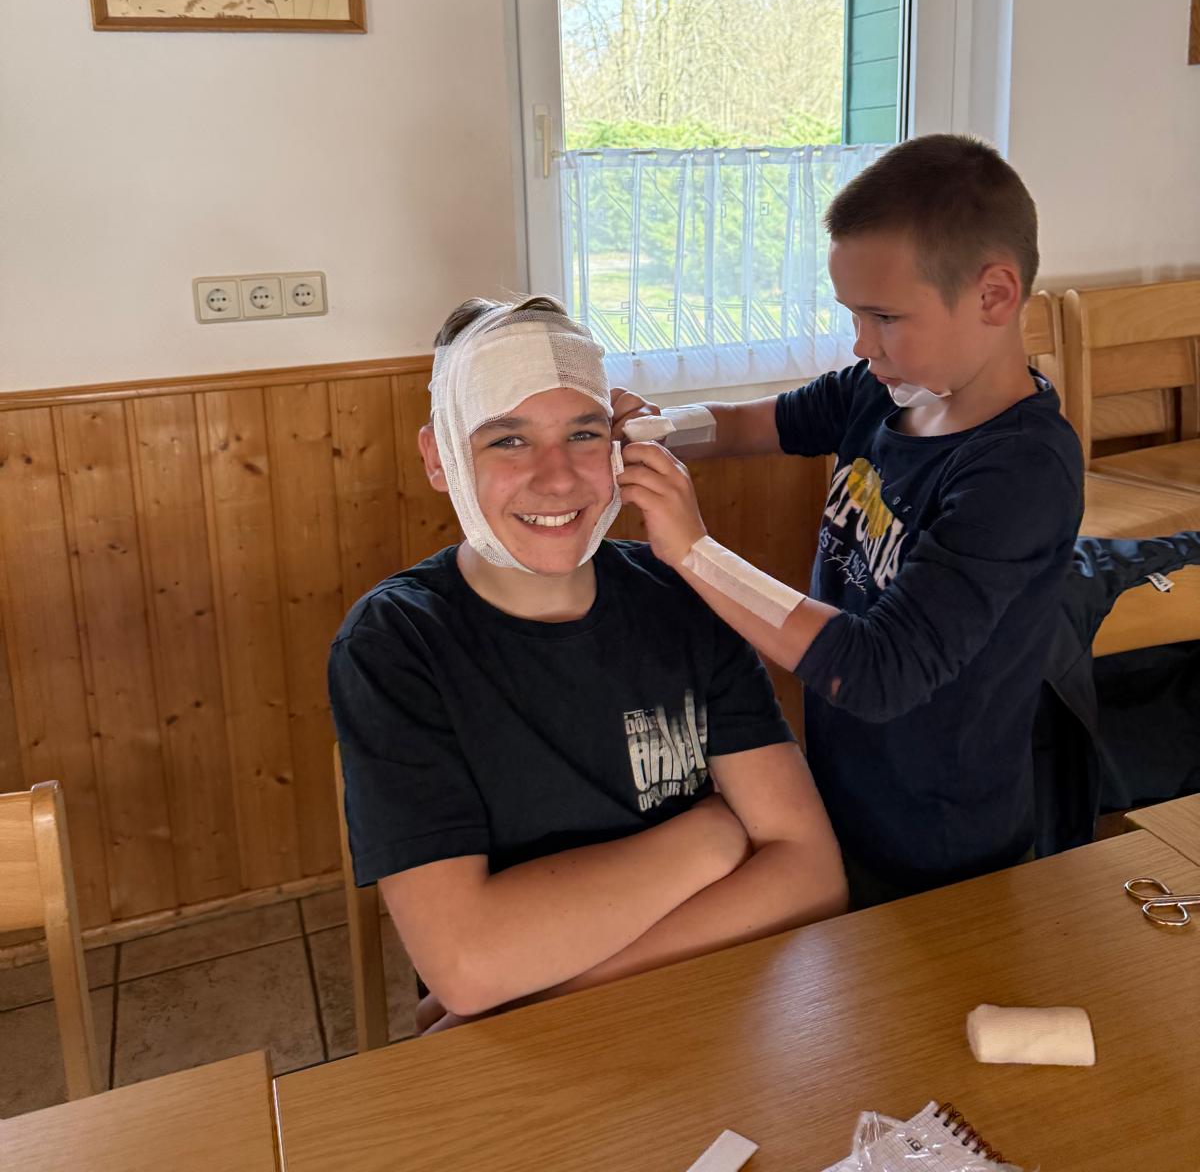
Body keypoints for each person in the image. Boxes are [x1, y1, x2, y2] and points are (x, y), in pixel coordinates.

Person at [329, 296, 846, 1030]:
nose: (559, 478)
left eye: (583, 434)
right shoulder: (398, 642)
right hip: (549, 1053)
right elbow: (469, 963)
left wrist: (539, 994)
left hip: (690, 1008)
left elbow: (812, 875)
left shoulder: (681, 596)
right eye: (508, 440)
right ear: (440, 458)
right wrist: (712, 839)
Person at [613, 135, 1084, 907]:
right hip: (847, 793)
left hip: (940, 846)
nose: (862, 344)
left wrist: (696, 553)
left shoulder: (1020, 472)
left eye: (884, 316)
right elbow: (755, 424)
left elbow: (875, 670)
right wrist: (654, 429)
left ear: (994, 296)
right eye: (853, 315)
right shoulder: (886, 389)